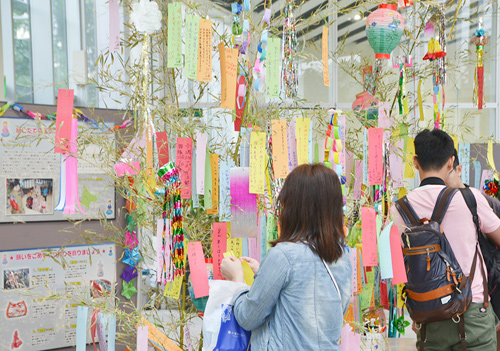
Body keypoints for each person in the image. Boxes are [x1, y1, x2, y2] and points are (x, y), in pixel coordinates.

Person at [220, 164, 352, 351]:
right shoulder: (343, 256)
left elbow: (248, 317)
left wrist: (237, 281)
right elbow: (323, 313)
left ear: (295, 208)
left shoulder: (283, 256)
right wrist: (264, 274)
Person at [393, 129, 500, 350]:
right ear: (451, 162)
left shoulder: (399, 210)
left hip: (428, 317)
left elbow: (399, 267)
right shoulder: (470, 198)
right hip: (474, 314)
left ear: (415, 162)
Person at [446, 148, 500, 351]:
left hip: (489, 290)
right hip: (456, 299)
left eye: (447, 174)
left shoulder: (482, 201)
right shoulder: (439, 205)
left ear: (458, 169)